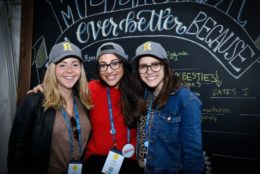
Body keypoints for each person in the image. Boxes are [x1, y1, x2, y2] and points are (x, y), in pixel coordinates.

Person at [27, 42, 143, 174]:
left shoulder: (138, 91)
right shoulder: (90, 89)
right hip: (95, 164)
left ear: (123, 64)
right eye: (103, 65)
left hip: (131, 163)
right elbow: (65, 86)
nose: (109, 70)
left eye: (115, 63)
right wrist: (44, 87)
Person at [8, 41, 92, 174]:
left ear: (81, 69)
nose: (69, 70)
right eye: (62, 65)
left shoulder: (84, 101)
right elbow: (17, 151)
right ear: (53, 69)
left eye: (75, 65)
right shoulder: (34, 101)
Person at [132, 41, 204, 174]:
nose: (149, 71)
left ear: (165, 66)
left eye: (155, 65)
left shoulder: (187, 101)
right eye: (143, 66)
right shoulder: (145, 94)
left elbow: (193, 154)